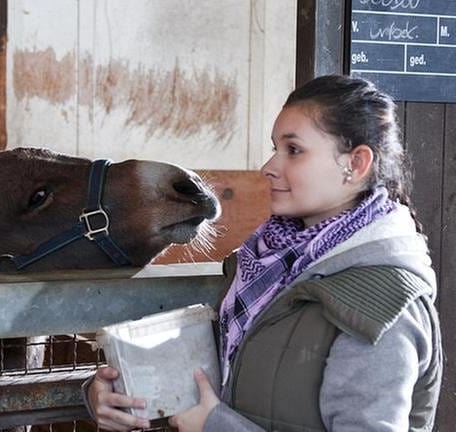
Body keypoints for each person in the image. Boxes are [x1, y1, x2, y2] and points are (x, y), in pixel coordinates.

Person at [84, 75, 442, 431]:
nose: (269, 167)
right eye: (275, 149)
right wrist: (114, 393)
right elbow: (215, 378)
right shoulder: (265, 266)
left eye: (294, 150)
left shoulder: (382, 306)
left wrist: (215, 426)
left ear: (356, 163)